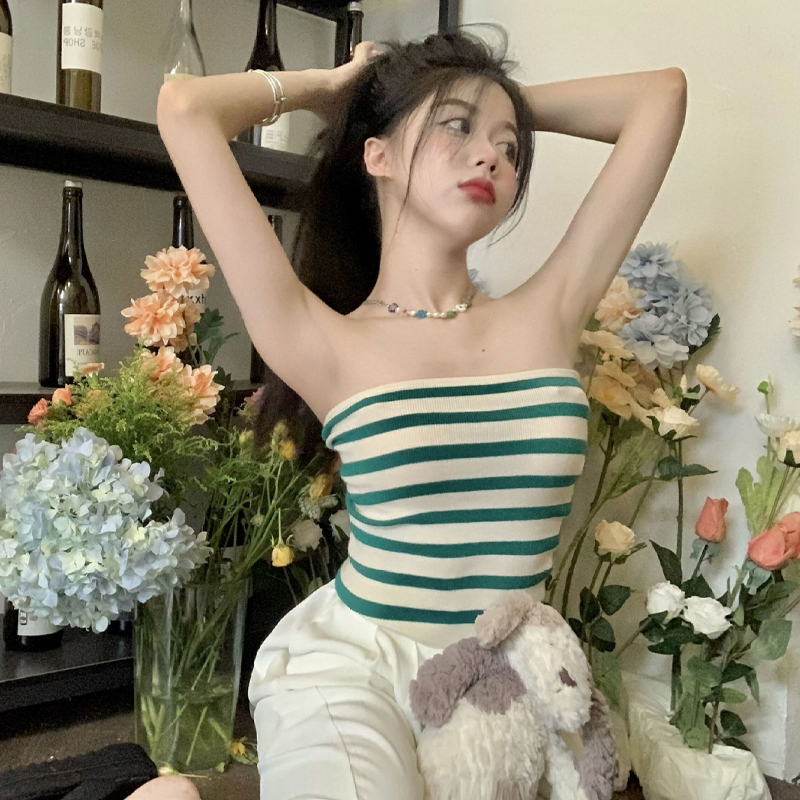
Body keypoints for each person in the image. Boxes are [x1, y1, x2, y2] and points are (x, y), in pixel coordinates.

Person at [140, 21, 686, 800]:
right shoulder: (321, 339)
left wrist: (490, 103)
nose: (490, 155)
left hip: (504, 680)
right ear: (379, 155)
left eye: (509, 148)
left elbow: (661, 96)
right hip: (355, 668)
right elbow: (185, 108)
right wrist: (338, 90)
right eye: (456, 129)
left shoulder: (547, 313)